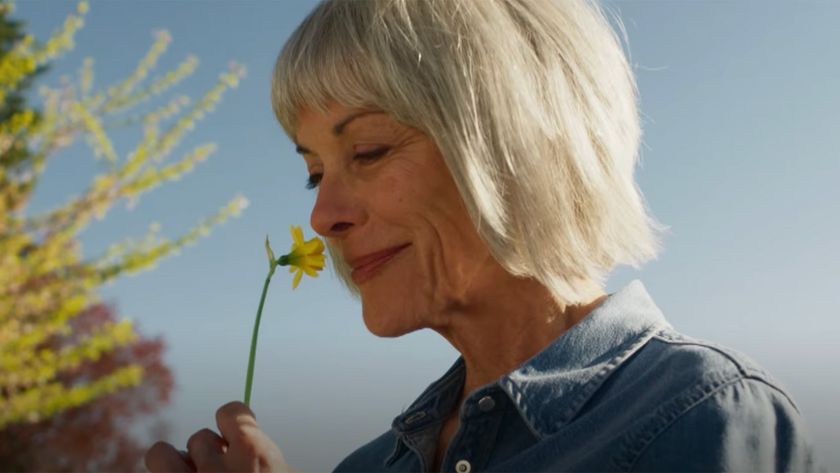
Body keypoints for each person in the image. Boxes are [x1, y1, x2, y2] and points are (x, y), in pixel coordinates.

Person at [145, 0, 820, 471]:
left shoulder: (701, 416)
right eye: (313, 172)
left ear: (514, 142)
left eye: (371, 151)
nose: (323, 216)